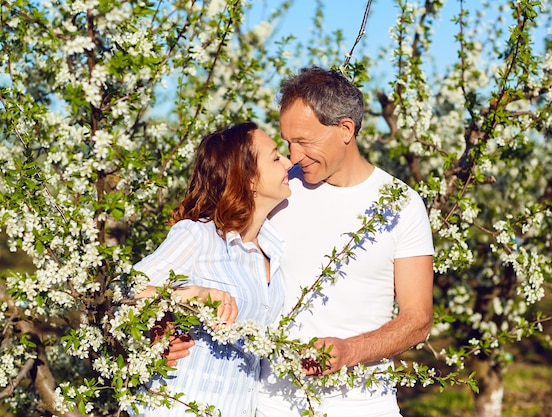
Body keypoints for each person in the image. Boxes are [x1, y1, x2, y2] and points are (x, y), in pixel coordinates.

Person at [167, 67, 434, 416]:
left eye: (305, 142)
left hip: (364, 405)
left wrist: (350, 351)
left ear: (345, 130)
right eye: (288, 142)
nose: (294, 156)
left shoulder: (401, 203)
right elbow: (207, 256)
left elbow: (418, 319)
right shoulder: (275, 189)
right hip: (270, 404)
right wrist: (167, 329)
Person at [130, 122, 293, 417]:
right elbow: (127, 292)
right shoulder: (197, 236)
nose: (289, 162)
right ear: (250, 178)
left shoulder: (274, 250)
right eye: (275, 157)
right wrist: (193, 294)